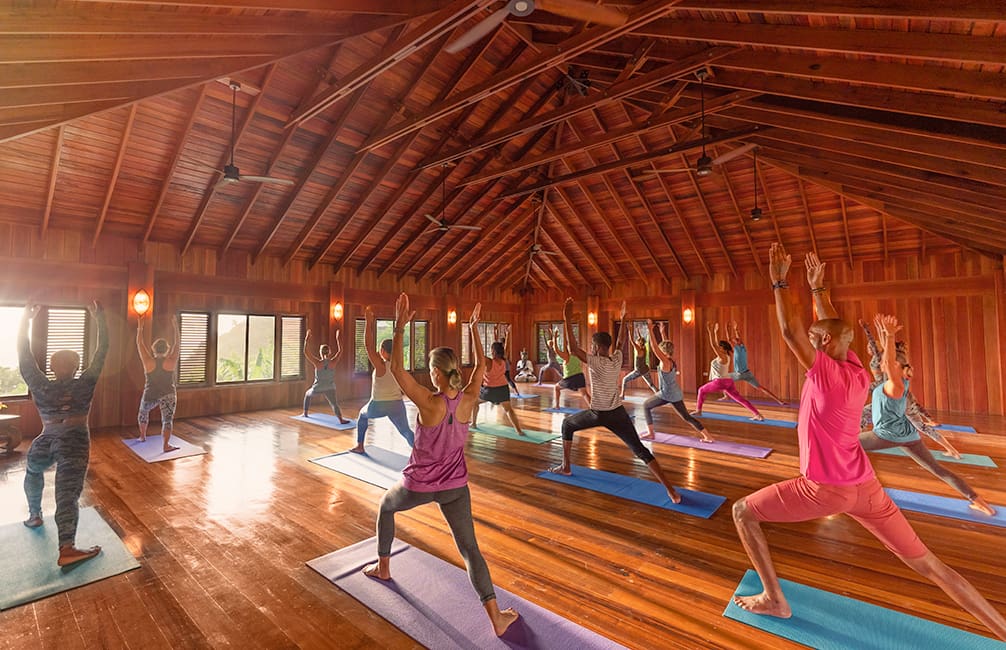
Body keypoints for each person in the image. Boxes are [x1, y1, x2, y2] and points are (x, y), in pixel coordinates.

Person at [731, 244, 1006, 642]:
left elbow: (791, 330)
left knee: (743, 512)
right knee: (930, 565)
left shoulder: (827, 374)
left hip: (823, 489)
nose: (808, 342)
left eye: (815, 340)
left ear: (823, 346)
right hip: (866, 487)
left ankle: (774, 598)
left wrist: (777, 280)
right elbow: (833, 328)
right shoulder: (857, 370)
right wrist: (818, 290)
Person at [362, 295, 519, 637]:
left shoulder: (428, 402)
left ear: (435, 372)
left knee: (385, 507)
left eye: (431, 369)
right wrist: (475, 329)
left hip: (418, 486)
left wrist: (401, 324)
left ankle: (383, 568)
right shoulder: (468, 398)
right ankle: (496, 618)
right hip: (455, 488)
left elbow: (398, 370)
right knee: (469, 550)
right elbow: (480, 366)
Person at [859, 314, 994, 516]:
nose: (887, 364)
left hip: (885, 435)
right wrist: (883, 333)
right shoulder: (896, 382)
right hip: (909, 436)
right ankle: (979, 501)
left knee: (844, 445)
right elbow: (884, 359)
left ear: (901, 371)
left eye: (892, 365)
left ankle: (850, 487)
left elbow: (887, 362)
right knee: (938, 469)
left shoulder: (894, 385)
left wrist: (887, 337)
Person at [548, 299, 681, 505]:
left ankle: (566, 467)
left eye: (592, 345)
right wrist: (624, 318)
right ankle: (671, 491)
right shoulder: (616, 358)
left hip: (598, 413)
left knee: (567, 424)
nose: (590, 348)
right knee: (640, 450)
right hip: (618, 413)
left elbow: (573, 348)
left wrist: (566, 318)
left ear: (596, 347)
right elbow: (619, 344)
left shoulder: (596, 361)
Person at [19, 301, 109, 567]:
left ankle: (35, 514)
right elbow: (102, 350)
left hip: (45, 439)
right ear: (77, 366)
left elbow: (24, 354)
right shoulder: (85, 383)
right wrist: (99, 316)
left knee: (33, 470)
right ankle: (67, 547)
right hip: (74, 441)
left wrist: (26, 319)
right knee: (66, 494)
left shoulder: (40, 384)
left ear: (53, 367)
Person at [859, 319, 960, 459]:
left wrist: (870, 330)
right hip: (897, 396)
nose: (871, 348)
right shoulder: (900, 361)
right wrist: (885, 332)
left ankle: (856, 442)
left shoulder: (889, 362)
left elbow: (880, 350)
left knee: (864, 412)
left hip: (890, 396)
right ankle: (952, 450)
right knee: (921, 426)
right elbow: (882, 347)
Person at [350, 306, 414, 454]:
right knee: (405, 431)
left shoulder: (381, 366)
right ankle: (422, 454)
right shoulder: (399, 365)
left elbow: (367, 345)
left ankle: (360, 446)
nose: (379, 352)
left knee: (362, 415)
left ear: (384, 352)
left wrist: (368, 322)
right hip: (397, 404)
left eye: (380, 350)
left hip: (378, 404)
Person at [640, 321, 712, 443]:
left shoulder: (665, 362)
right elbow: (667, 346)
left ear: (662, 351)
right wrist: (662, 332)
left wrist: (650, 330)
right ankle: (708, 436)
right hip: (675, 393)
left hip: (666, 394)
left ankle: (651, 433)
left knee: (645, 405)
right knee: (686, 417)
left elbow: (654, 348)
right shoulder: (672, 359)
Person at [692, 323, 764, 421]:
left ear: (723, 349)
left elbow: (713, 345)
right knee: (740, 399)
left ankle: (698, 410)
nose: (718, 347)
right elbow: (716, 344)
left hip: (719, 382)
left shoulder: (722, 357)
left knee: (701, 390)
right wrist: (715, 332)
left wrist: (710, 332)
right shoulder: (726, 356)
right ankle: (758, 414)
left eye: (720, 347)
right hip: (728, 382)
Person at [135, 313, 180, 453]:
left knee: (143, 413)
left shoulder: (148, 361)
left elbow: (139, 343)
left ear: (153, 349)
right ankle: (166, 445)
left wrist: (140, 328)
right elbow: (177, 344)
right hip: (168, 394)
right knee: (167, 420)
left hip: (151, 393)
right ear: (167, 349)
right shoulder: (171, 360)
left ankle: (142, 436)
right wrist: (175, 327)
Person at [472, 327, 525, 436]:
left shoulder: (488, 362)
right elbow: (506, 349)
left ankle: (473, 423)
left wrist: (474, 334)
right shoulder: (503, 360)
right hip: (503, 389)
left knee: (475, 403)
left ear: (493, 351)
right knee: (509, 410)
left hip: (489, 390)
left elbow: (477, 353)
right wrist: (508, 334)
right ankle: (519, 431)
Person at [726, 320, 786, 405]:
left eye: (735, 340)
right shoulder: (743, 349)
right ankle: (779, 401)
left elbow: (729, 339)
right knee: (760, 387)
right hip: (748, 374)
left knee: (722, 378)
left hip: (739, 374)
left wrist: (727, 328)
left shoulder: (737, 349)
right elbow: (739, 339)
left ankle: (726, 396)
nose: (734, 340)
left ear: (736, 343)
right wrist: (736, 330)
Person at [302, 328, 348, 423]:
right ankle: (341, 419)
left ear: (320, 352)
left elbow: (306, 352)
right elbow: (340, 351)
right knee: (334, 404)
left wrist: (307, 339)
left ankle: (305, 413)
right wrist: (338, 339)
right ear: (329, 352)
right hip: (330, 387)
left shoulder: (317, 363)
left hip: (318, 387)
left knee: (307, 394)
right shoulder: (333, 362)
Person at [553, 327, 591, 410]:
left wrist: (555, 337)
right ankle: (594, 409)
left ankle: (557, 406)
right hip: (580, 376)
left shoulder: (567, 356)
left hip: (570, 378)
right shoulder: (579, 355)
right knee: (584, 394)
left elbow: (556, 350)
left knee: (556, 388)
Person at [620, 331, 658, 399]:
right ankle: (659, 395)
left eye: (638, 341)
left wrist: (629, 331)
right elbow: (640, 340)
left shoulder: (639, 350)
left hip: (638, 371)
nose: (636, 342)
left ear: (640, 343)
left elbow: (631, 340)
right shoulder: (644, 349)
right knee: (651, 384)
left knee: (624, 379)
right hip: (645, 370)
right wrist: (638, 332)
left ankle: (622, 395)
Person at [493, 324, 520, 395]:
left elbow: (507, 344)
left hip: (505, 366)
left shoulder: (503, 352)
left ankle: (516, 391)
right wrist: (495, 332)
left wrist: (508, 334)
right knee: (504, 379)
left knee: (508, 379)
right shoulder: (497, 351)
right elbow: (496, 342)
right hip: (504, 366)